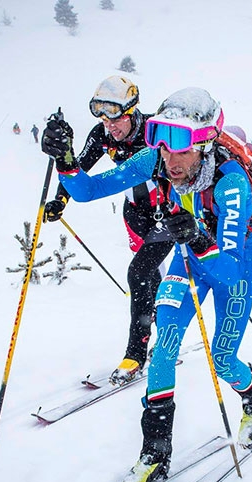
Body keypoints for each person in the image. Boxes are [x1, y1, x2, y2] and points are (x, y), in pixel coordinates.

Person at [41, 87, 252, 482]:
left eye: (181, 147)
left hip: (232, 261)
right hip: (191, 253)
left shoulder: (231, 184)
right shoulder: (158, 159)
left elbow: (231, 273)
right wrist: (65, 159)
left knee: (222, 357)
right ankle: (155, 452)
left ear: (205, 143)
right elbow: (88, 191)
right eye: (161, 144)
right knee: (164, 347)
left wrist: (199, 238)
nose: (170, 158)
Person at [42, 75, 174, 385]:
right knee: (148, 275)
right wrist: (60, 199)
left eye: (115, 119)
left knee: (139, 273)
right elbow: (80, 168)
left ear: (132, 112)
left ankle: (135, 353)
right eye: (103, 119)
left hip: (165, 214)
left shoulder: (156, 131)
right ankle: (158, 325)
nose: (109, 127)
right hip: (135, 215)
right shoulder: (101, 135)